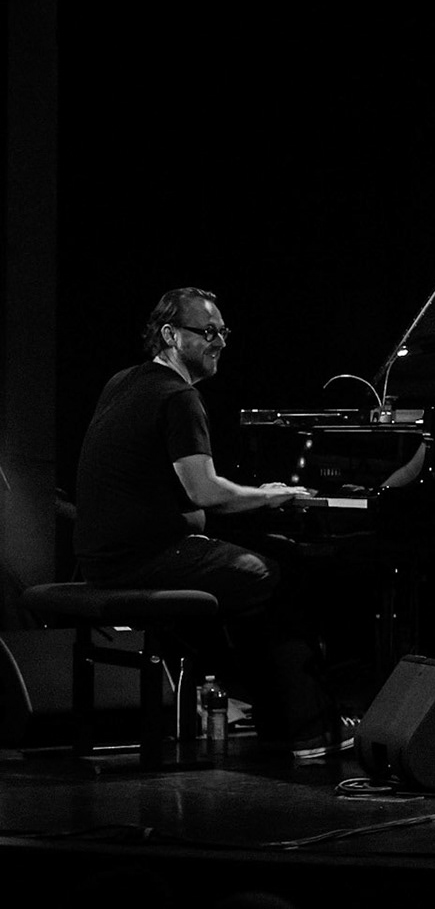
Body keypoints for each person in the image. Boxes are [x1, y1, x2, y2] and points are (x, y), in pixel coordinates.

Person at [70, 288, 355, 758]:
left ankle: (263, 709)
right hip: (146, 560)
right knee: (271, 575)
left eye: (223, 331)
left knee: (256, 563)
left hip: (102, 559)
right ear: (169, 335)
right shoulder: (179, 397)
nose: (219, 340)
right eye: (207, 332)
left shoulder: (122, 382)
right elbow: (203, 492)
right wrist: (269, 495)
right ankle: (304, 729)